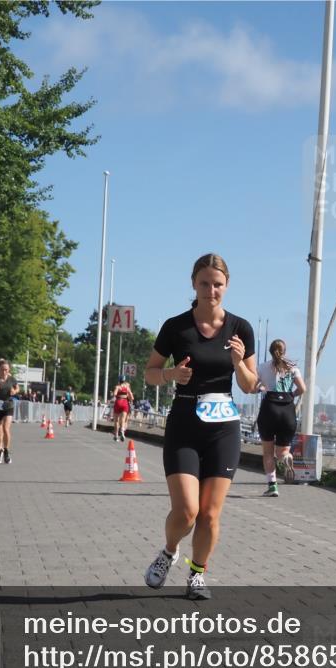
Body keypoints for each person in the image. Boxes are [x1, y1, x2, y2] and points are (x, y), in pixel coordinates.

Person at [143, 253, 257, 600]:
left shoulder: (241, 329)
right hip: (185, 422)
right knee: (187, 511)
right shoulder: (176, 327)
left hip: (223, 426)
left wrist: (238, 363)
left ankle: (197, 574)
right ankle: (169, 550)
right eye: (205, 283)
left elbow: (251, 385)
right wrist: (171, 375)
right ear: (194, 284)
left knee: (209, 514)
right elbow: (149, 373)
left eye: (218, 284)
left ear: (227, 286)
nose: (211, 290)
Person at [254, 339, 306, 497]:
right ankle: (286, 458)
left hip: (269, 409)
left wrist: (261, 389)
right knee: (282, 451)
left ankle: (272, 486)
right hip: (288, 410)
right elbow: (302, 388)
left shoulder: (262, 367)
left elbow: (252, 387)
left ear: (270, 351)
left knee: (268, 453)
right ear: (285, 351)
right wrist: (290, 395)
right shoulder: (293, 368)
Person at [111, 376, 134, 441]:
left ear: (119, 381)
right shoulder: (127, 387)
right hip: (125, 403)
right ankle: (122, 432)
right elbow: (131, 397)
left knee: (116, 420)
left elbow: (115, 394)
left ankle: (116, 435)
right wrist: (130, 400)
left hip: (118, 402)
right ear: (124, 381)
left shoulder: (117, 387)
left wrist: (114, 394)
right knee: (123, 419)